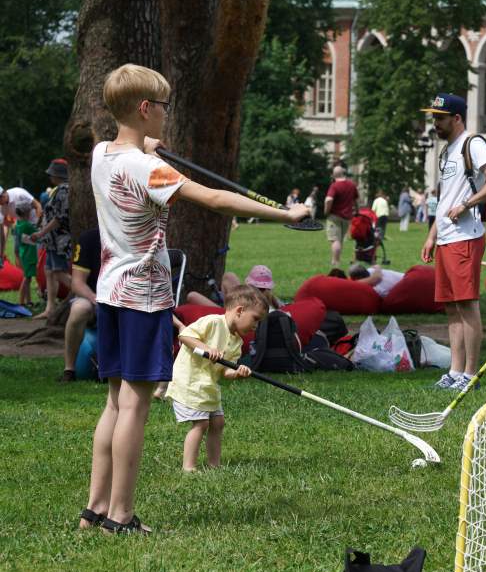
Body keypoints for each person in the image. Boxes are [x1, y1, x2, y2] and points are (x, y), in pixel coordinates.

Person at [79, 63, 311, 535]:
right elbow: (217, 200)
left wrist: (144, 144)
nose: (167, 114)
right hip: (143, 296)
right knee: (135, 407)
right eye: (163, 107)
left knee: (113, 403)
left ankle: (94, 509)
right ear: (145, 108)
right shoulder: (148, 169)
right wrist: (285, 214)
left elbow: (131, 148)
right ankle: (120, 516)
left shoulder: (103, 153)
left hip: (110, 292)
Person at [420, 93, 486, 392]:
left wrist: (468, 204)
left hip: (465, 237)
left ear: (456, 118)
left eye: (440, 118)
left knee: (467, 305)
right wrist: (432, 235)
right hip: (446, 237)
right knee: (452, 308)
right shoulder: (448, 151)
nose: (435, 124)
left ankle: (470, 375)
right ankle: (455, 372)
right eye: (433, 118)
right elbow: (445, 198)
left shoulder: (474, 144)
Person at [165, 285, 266, 471]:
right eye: (255, 319)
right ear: (240, 311)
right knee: (201, 423)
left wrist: (237, 373)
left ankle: (214, 465)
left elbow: (225, 372)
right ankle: (189, 467)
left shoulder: (237, 341)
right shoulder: (212, 322)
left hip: (208, 385)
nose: (256, 325)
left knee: (218, 423)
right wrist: (207, 348)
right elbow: (185, 335)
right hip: (190, 382)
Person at [30, 159, 72, 319]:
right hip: (53, 240)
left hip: (59, 239)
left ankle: (86, 295)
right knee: (49, 271)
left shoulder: (63, 190)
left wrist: (41, 233)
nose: (50, 176)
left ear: (57, 175)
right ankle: (50, 308)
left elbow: (59, 218)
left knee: (59, 272)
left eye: (52, 173)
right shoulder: (59, 189)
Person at [61, 227, 102, 382]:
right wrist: (95, 299)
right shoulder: (89, 238)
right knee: (79, 308)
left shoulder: (132, 236)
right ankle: (69, 369)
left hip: (124, 299)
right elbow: (77, 283)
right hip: (93, 298)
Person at [324, 165, 358, 267]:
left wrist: (326, 211)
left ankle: (335, 261)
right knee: (340, 240)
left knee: (335, 240)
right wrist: (357, 211)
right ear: (343, 173)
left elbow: (329, 199)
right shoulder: (352, 185)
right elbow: (356, 200)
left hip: (334, 216)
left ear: (334, 175)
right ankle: (337, 259)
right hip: (347, 217)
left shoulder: (334, 186)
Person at [12, 205, 38, 308]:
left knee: (28, 278)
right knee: (26, 278)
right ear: (26, 213)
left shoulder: (18, 224)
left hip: (24, 254)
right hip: (29, 255)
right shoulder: (27, 225)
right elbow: (37, 235)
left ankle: (28, 301)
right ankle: (21, 302)